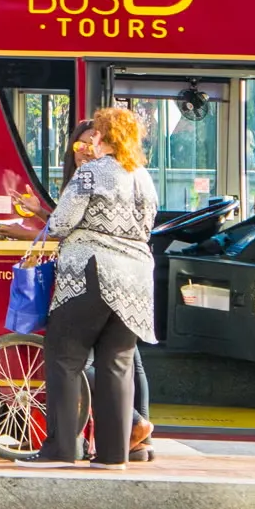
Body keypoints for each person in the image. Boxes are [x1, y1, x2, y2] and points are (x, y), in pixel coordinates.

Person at [25, 105, 159, 467]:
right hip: (136, 279)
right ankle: (114, 456)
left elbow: (61, 222)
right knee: (117, 363)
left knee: (65, 356)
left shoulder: (92, 173)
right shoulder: (143, 176)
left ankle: (61, 450)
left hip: (91, 273)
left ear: (102, 137)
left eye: (96, 132)